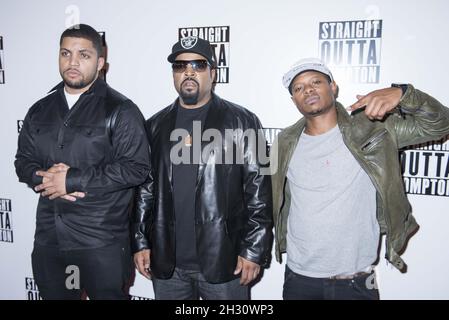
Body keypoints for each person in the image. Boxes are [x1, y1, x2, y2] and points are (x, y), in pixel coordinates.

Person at [271, 57, 449, 300]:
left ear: (333, 87)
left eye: (316, 82)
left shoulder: (374, 127)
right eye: (298, 88)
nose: (308, 90)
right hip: (299, 279)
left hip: (355, 281)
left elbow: (440, 124)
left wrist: (404, 94)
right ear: (293, 100)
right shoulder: (284, 142)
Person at [14, 24, 150, 300]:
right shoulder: (40, 109)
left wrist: (72, 179)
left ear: (100, 63)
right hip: (50, 241)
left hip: (100, 244)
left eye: (83, 55)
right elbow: (23, 161)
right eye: (65, 53)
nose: (72, 62)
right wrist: (44, 178)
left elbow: (136, 168)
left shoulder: (121, 110)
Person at [131, 36, 273, 300]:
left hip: (225, 261)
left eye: (198, 65)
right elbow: (144, 190)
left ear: (213, 73)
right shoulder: (154, 126)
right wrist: (140, 241)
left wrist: (254, 249)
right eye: (180, 66)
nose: (188, 72)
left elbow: (259, 190)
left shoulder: (243, 121)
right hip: (168, 265)